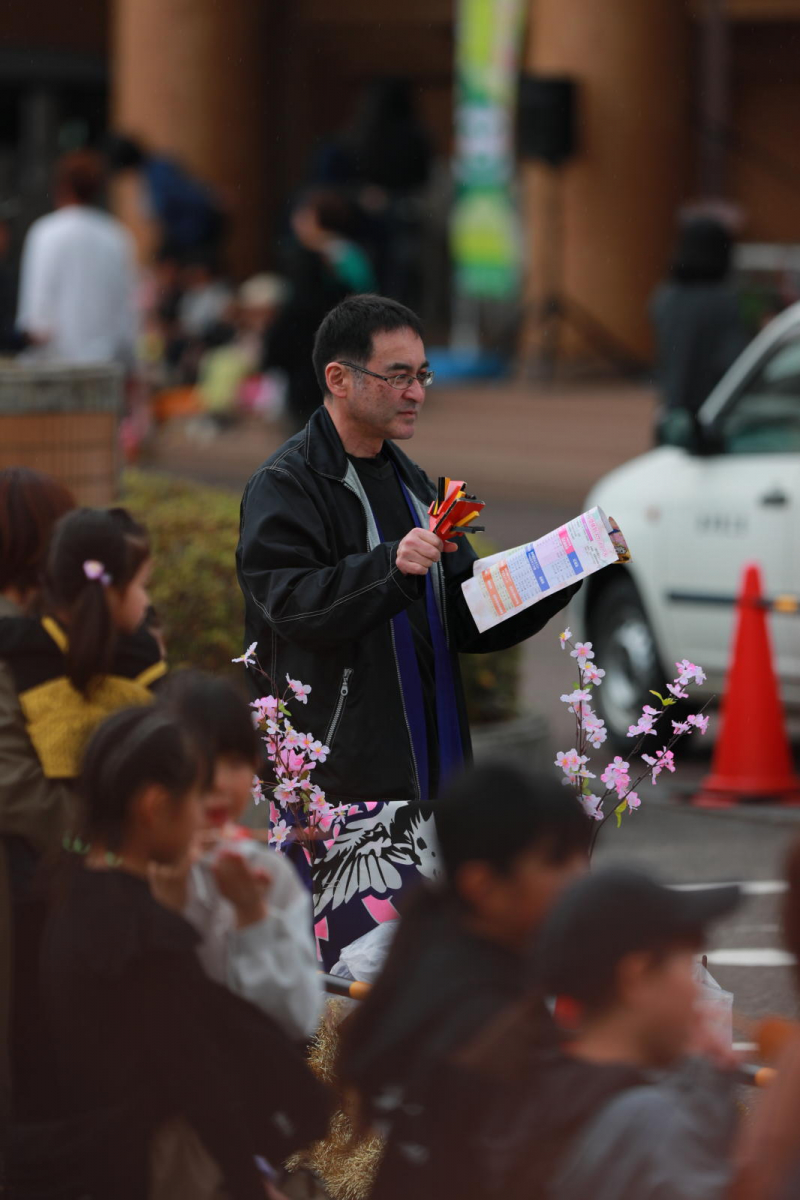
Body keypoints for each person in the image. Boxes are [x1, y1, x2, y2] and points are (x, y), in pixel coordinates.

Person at [237, 294, 583, 965]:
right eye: (399, 375)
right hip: (340, 780)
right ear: (340, 379)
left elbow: (466, 619)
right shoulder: (286, 484)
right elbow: (291, 605)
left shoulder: (415, 483)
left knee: (433, 973)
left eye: (423, 375)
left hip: (434, 769)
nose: (417, 392)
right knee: (347, 982)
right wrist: (388, 569)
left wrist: (559, 571)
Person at [22, 706, 331, 1200]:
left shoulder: (65, 888)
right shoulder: (144, 935)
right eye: (193, 797)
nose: (201, 815)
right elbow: (195, 1076)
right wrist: (250, 1183)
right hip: (152, 1164)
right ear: (153, 805)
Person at [334, 765, 589, 1200]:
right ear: (483, 885)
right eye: (557, 861)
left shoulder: (434, 961)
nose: (581, 879)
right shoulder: (489, 1028)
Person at [0, 501, 164, 1121]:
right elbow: (16, 789)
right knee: (44, 1060)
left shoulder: (137, 661)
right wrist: (103, 846)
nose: (150, 602)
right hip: (35, 896)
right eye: (143, 585)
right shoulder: (17, 654)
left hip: (103, 891)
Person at [468, 866, 741, 1200]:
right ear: (635, 977)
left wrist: (703, 1082)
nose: (695, 991)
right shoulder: (650, 1126)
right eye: (688, 968)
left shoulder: (528, 1082)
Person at [155, 669, 323, 1042]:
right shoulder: (145, 866)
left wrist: (253, 914)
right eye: (197, 761)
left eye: (233, 763)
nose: (218, 782)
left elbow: (299, 1018)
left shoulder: (268, 872)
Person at [0, 468, 75, 1120]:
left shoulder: (34, 624)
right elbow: (16, 783)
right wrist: (94, 836)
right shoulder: (14, 634)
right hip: (25, 878)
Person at [17, 150, 138, 365]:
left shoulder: (46, 232)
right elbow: (128, 316)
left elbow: (36, 322)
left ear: (62, 186)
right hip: (104, 368)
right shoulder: (117, 236)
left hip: (57, 368)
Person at [651, 214, 748, 419]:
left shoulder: (666, 296)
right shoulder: (725, 301)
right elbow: (731, 359)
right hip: (714, 408)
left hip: (672, 402)